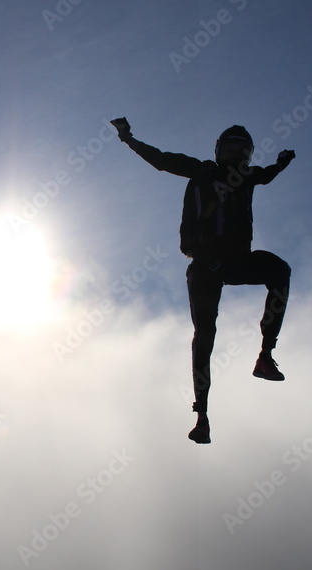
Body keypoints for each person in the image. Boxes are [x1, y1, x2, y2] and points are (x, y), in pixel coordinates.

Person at [111, 118, 295, 444]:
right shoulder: (203, 172)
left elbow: (265, 176)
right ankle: (202, 413)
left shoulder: (248, 177)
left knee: (279, 270)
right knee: (205, 333)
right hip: (206, 265)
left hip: (236, 262)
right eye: (233, 147)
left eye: (244, 149)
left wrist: (280, 164)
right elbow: (162, 160)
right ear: (220, 150)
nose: (238, 154)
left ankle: (265, 356)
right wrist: (129, 139)